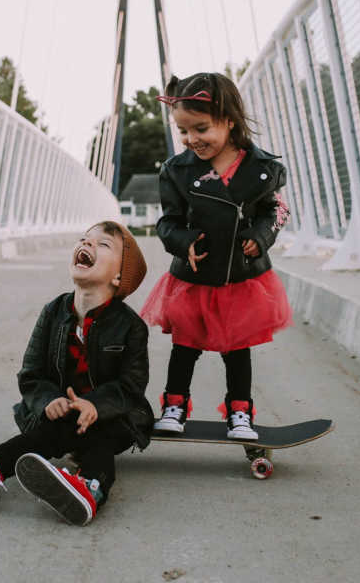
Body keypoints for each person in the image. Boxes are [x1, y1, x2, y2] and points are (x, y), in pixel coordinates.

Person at [0, 221, 152, 526]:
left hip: (114, 416)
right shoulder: (53, 312)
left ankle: (91, 487)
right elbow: (31, 374)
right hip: (60, 413)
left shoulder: (131, 326)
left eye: (102, 245)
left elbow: (131, 387)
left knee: (100, 436)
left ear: (120, 275)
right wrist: (48, 400)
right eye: (84, 239)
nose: (88, 244)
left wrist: (95, 405)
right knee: (50, 432)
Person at [140, 72, 293, 441]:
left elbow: (276, 212)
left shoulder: (261, 169)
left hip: (241, 277)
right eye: (183, 131)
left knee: (237, 350)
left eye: (201, 129)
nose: (192, 140)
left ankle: (240, 412)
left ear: (229, 120)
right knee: (185, 346)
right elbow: (168, 222)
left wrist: (260, 235)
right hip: (193, 277)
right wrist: (183, 241)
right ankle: (174, 406)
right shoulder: (177, 171)